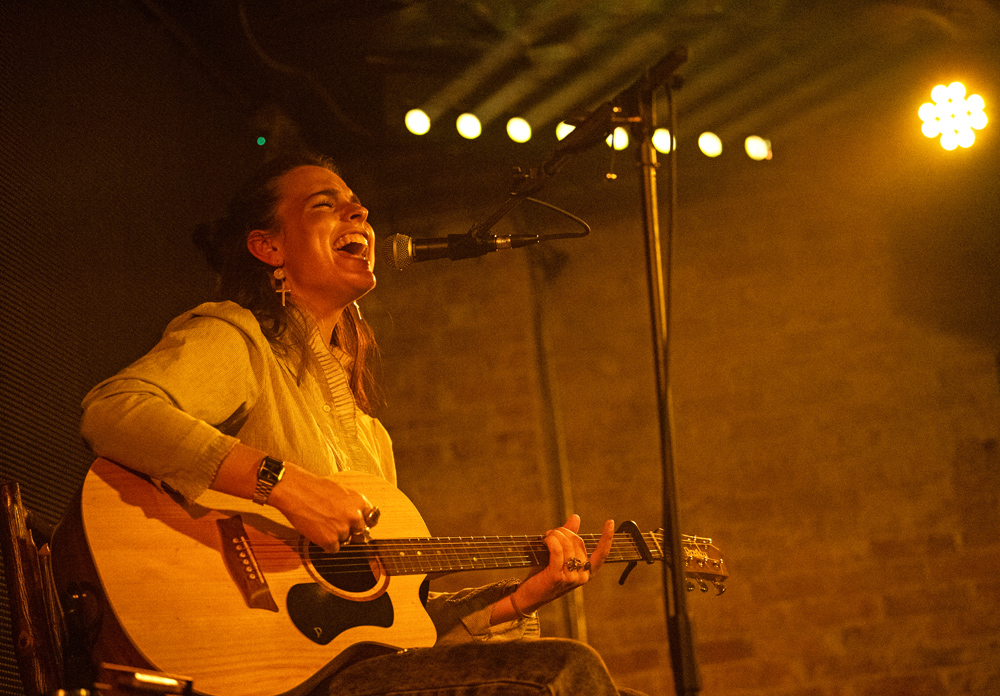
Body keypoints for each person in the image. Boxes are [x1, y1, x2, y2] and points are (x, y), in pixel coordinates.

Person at [79, 150, 647, 695]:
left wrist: (522, 597)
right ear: (268, 247)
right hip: (248, 662)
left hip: (336, 674)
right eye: (325, 205)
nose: (360, 212)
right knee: (567, 670)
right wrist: (282, 483)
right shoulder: (239, 340)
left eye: (357, 205)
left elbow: (392, 630)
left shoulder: (372, 439)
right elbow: (115, 408)